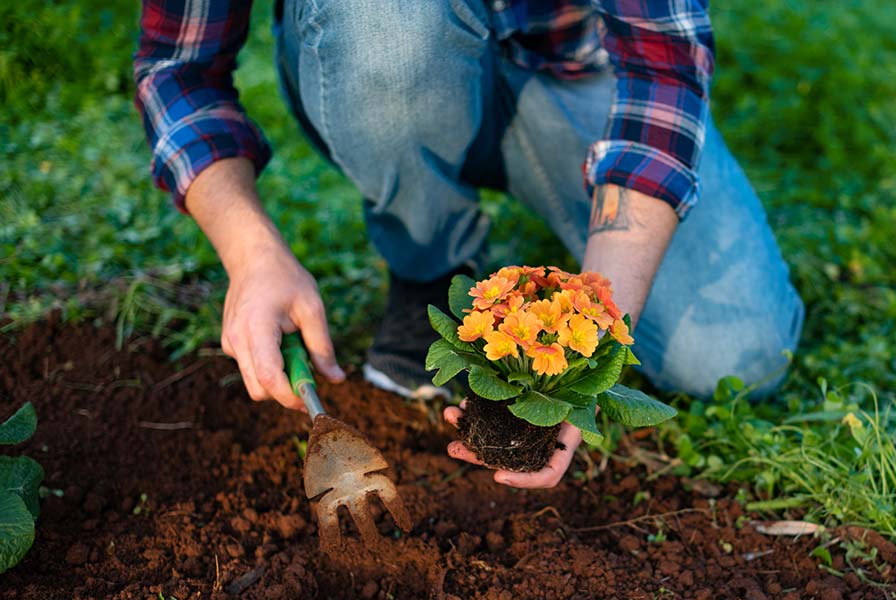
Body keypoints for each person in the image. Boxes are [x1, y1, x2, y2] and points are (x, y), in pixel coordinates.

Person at [134, 0, 804, 489]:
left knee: (735, 355)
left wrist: (590, 330)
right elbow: (178, 66)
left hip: (573, 69)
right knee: (388, 25)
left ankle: (551, 231)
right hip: (380, 59)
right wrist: (250, 253)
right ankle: (429, 260)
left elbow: (662, 63)